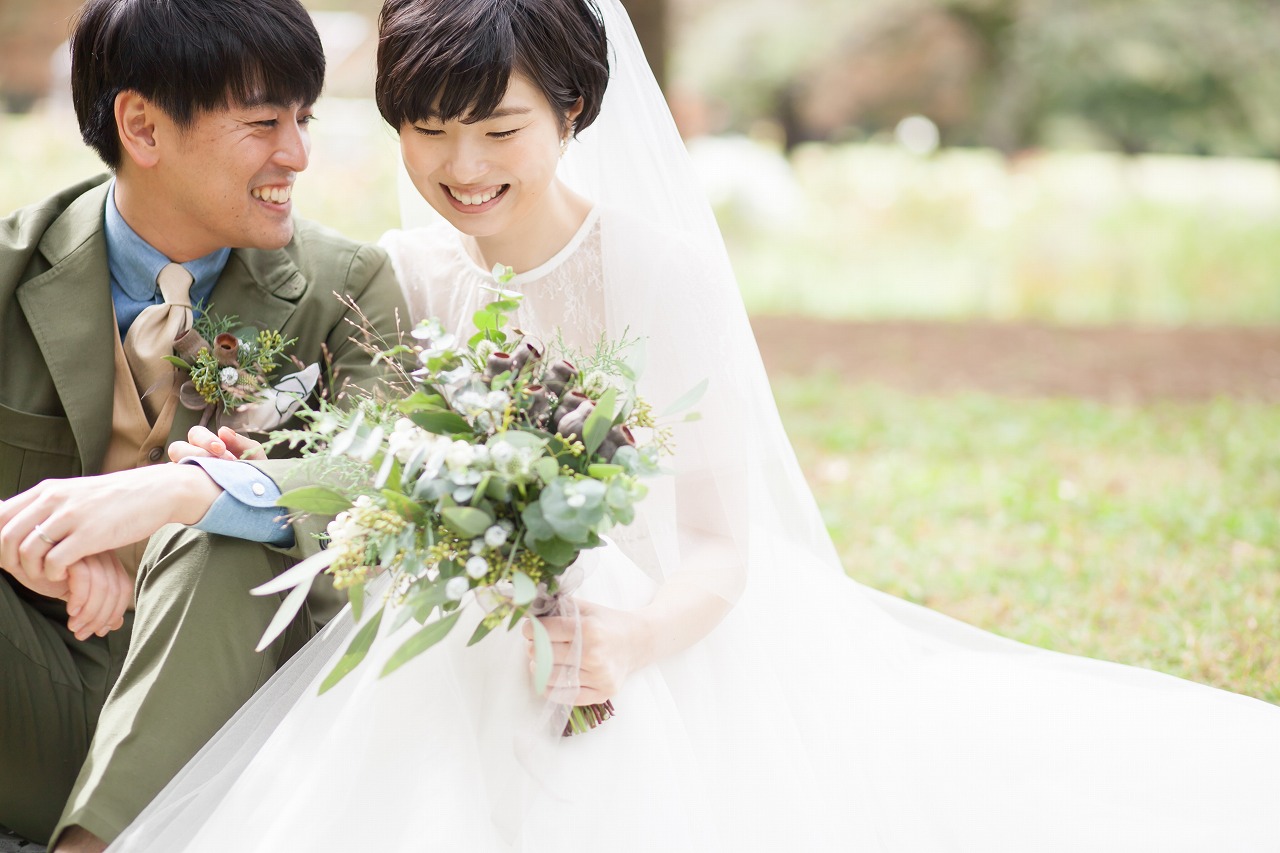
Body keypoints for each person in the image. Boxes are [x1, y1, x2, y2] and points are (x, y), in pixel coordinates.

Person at [114, 0, 1280, 850]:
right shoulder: (399, 275)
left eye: (497, 130)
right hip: (440, 629)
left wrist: (626, 640)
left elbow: (725, 544)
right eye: (426, 130)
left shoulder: (658, 274)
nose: (459, 166)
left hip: (649, 633)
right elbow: (357, 449)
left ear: (572, 108)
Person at [0, 0, 408, 849]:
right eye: (262, 122)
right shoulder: (8, 267)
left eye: (302, 119)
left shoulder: (350, 292)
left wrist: (180, 492)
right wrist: (35, 550)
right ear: (142, 127)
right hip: (32, 694)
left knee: (220, 529)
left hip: (232, 722)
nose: (295, 154)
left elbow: (391, 485)